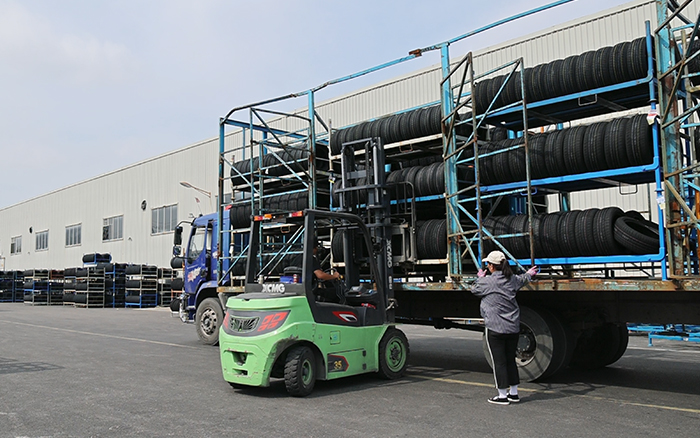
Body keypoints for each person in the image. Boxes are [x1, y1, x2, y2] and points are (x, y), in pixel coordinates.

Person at [471, 250, 538, 405]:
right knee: (510, 361)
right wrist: (529, 273)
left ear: (491, 266)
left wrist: (480, 277)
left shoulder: (487, 282)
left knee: (499, 362)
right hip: (512, 327)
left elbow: (474, 289)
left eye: (488, 264)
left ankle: (502, 395)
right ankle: (513, 393)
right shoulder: (512, 279)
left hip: (495, 328)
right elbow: (523, 279)